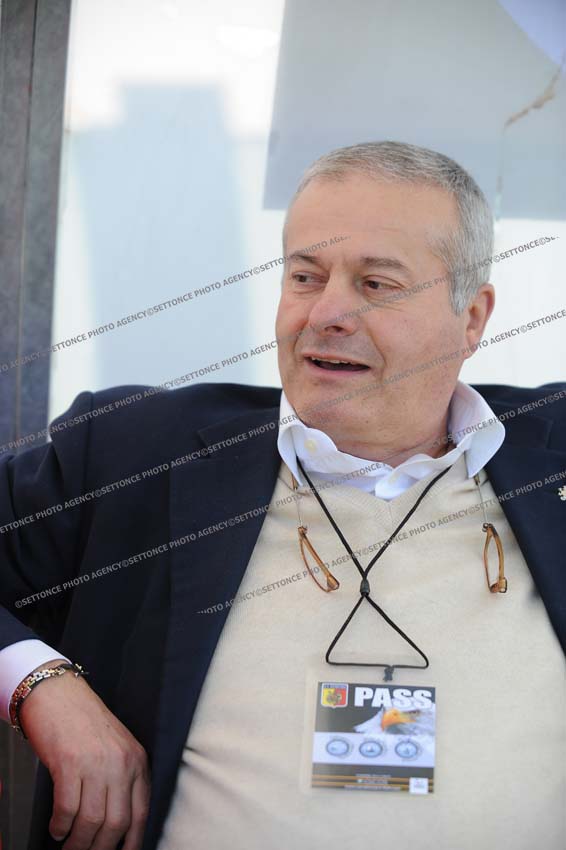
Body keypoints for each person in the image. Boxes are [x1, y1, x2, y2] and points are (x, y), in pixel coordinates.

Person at [1, 141, 564, 850]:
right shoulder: (134, 454)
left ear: (472, 318)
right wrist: (40, 683)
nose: (326, 312)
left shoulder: (549, 457)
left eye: (376, 284)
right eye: (305, 276)